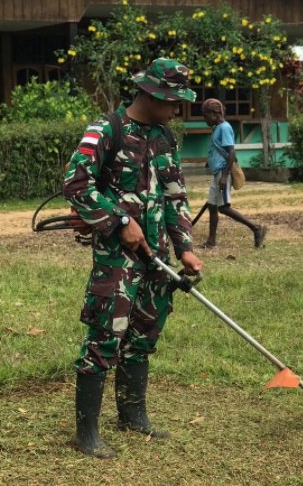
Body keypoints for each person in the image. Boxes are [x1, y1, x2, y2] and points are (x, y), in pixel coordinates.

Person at [63, 58, 204, 459]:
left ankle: (132, 415)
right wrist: (119, 220)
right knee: (106, 335)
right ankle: (86, 432)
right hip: (117, 258)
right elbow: (76, 182)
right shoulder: (106, 130)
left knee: (144, 334)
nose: (177, 108)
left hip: (157, 255)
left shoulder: (165, 137)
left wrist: (186, 248)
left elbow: (176, 195)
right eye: (173, 101)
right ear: (151, 93)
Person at [200, 98, 267, 249]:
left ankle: (256, 228)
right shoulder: (217, 128)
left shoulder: (224, 128)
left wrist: (224, 176)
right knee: (212, 206)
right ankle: (211, 241)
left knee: (223, 207)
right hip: (217, 173)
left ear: (215, 113)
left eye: (206, 116)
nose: (205, 119)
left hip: (224, 173)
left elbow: (231, 152)